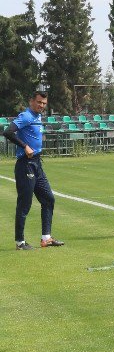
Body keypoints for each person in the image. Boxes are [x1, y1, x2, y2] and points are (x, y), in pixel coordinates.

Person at [3, 91, 61, 250]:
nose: (41, 106)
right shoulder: (26, 116)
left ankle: (46, 238)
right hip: (25, 165)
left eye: (44, 103)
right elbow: (7, 132)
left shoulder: (38, 117)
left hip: (37, 164)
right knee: (25, 204)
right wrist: (24, 146)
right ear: (31, 101)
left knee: (48, 199)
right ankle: (20, 242)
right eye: (39, 102)